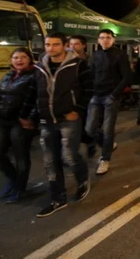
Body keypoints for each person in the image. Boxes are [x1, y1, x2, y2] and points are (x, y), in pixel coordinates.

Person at [34, 32, 93, 217]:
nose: (51, 48)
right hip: (46, 120)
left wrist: (77, 110)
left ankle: (82, 179)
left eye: (55, 44)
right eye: (48, 44)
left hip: (68, 119)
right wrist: (29, 115)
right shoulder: (39, 66)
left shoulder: (78, 64)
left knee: (69, 156)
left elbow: (89, 89)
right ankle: (58, 198)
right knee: (50, 161)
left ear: (65, 45)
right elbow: (34, 92)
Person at [0, 47, 37, 203]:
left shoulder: (35, 76)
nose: (19, 60)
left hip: (20, 122)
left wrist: (30, 118)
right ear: (11, 60)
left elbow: (37, 100)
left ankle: (20, 188)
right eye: (16, 57)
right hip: (2, 121)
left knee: (21, 157)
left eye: (23, 57)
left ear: (29, 59)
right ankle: (14, 180)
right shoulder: (8, 76)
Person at [86, 29, 131, 175]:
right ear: (98, 40)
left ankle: (105, 159)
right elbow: (90, 74)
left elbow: (126, 76)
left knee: (108, 129)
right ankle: (109, 144)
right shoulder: (95, 55)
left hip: (110, 96)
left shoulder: (120, 55)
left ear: (113, 39)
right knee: (89, 129)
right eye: (102, 37)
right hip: (96, 95)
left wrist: (114, 95)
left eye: (108, 37)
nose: (105, 40)